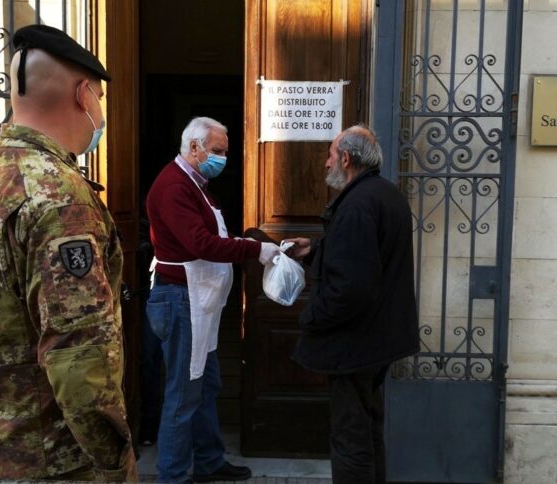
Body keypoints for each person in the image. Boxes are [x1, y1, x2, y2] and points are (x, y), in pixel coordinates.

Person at [0, 24, 136, 481]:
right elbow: (79, 357)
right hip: (56, 461)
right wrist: (115, 461)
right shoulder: (59, 197)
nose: (100, 110)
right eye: (100, 98)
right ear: (83, 95)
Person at [146, 116, 281, 483]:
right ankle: (173, 477)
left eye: (224, 151)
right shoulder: (174, 186)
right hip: (181, 300)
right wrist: (254, 250)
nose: (223, 159)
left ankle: (208, 461)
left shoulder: (196, 184)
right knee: (183, 394)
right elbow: (200, 244)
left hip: (197, 302)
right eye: (218, 151)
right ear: (194, 147)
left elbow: (211, 236)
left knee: (205, 385)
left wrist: (245, 243)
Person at [285, 125, 420, 484]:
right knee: (368, 429)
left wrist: (312, 318)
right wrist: (315, 249)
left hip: (356, 344)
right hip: (377, 339)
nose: (326, 162)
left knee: (351, 439)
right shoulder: (385, 194)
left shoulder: (358, 205)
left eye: (330, 154)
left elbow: (352, 287)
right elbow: (366, 256)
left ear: (345, 158)